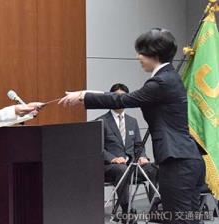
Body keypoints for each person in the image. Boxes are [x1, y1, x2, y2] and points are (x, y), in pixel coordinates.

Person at [59, 28, 205, 224]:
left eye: (142, 52)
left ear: (155, 53)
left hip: (177, 162)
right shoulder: (169, 78)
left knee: (179, 220)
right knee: (190, 219)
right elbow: (123, 97)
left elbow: (123, 100)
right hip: (188, 159)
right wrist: (84, 92)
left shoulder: (161, 82)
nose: (138, 57)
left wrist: (84, 96)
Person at [99, 83, 158, 222]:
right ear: (110, 98)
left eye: (124, 97)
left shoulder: (133, 121)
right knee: (122, 169)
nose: (121, 100)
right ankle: (127, 209)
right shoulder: (101, 121)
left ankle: (154, 208)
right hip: (111, 167)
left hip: (132, 165)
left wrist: (142, 156)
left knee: (153, 168)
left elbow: (139, 145)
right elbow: (98, 148)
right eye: (117, 97)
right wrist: (113, 158)